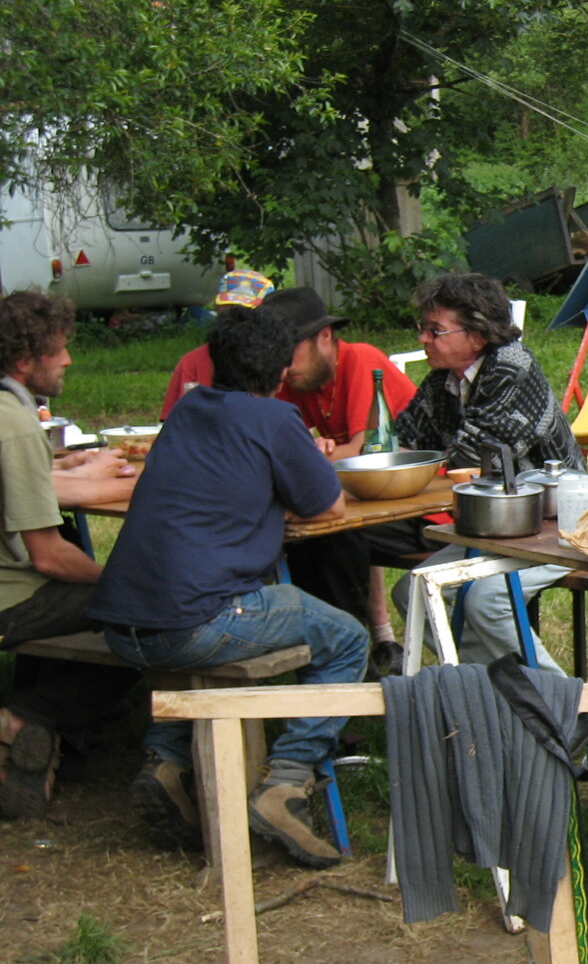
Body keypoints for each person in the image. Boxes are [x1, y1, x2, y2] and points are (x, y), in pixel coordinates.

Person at [89, 304, 370, 867]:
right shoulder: (275, 419)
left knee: (194, 633)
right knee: (347, 639)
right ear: (283, 372)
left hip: (121, 621)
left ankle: (167, 761)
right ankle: (285, 783)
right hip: (195, 621)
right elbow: (329, 504)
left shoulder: (188, 409)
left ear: (214, 364)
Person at [359, 272, 583, 672]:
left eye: (434, 330)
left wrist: (418, 463)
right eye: (422, 328)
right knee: (413, 592)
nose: (422, 338)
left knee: (486, 600)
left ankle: (560, 700)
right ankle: (497, 685)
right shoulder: (443, 380)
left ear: (477, 335)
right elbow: (401, 443)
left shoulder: (513, 368)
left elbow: (478, 457)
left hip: (560, 527)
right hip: (494, 527)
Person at [0, 292, 141, 818]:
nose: (68, 359)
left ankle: (49, 738)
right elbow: (50, 559)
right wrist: (116, 578)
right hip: (9, 601)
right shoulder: (14, 426)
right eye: (58, 349)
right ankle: (29, 716)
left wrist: (67, 470)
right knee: (150, 611)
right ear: (24, 360)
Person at [264, 286, 418, 671]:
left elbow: (365, 453)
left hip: (421, 502)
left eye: (290, 350)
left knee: (328, 533)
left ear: (325, 337)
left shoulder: (361, 358)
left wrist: (306, 460)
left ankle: (346, 654)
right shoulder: (300, 378)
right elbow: (275, 447)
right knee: (310, 529)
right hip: (369, 498)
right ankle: (340, 652)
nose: (283, 365)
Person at [160, 268, 274, 417]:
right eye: (228, 310)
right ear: (217, 308)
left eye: (246, 312)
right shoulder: (192, 362)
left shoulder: (277, 364)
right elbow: (174, 421)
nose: (235, 319)